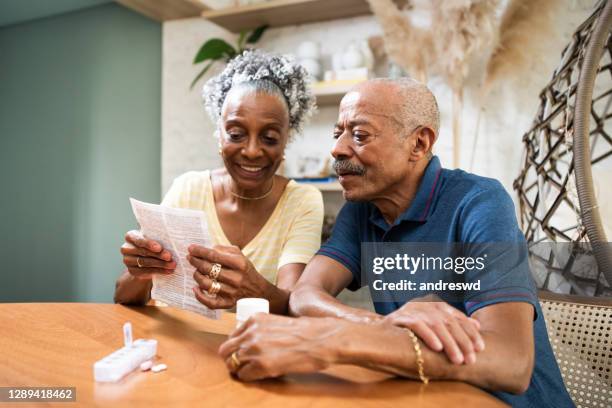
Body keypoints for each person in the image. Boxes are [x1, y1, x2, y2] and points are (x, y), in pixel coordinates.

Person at [218, 78, 574, 407]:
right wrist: (382, 326)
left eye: (359, 135)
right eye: (338, 133)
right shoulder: (361, 209)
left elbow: (510, 362)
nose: (337, 150)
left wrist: (334, 339)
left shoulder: (480, 202)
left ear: (418, 143)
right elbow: (305, 295)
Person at [114, 50, 323, 315]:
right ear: (219, 135)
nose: (251, 151)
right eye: (236, 134)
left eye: (269, 138)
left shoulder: (302, 201)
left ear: (286, 141)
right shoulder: (188, 189)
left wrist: (253, 287)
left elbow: (293, 306)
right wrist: (140, 269)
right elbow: (123, 297)